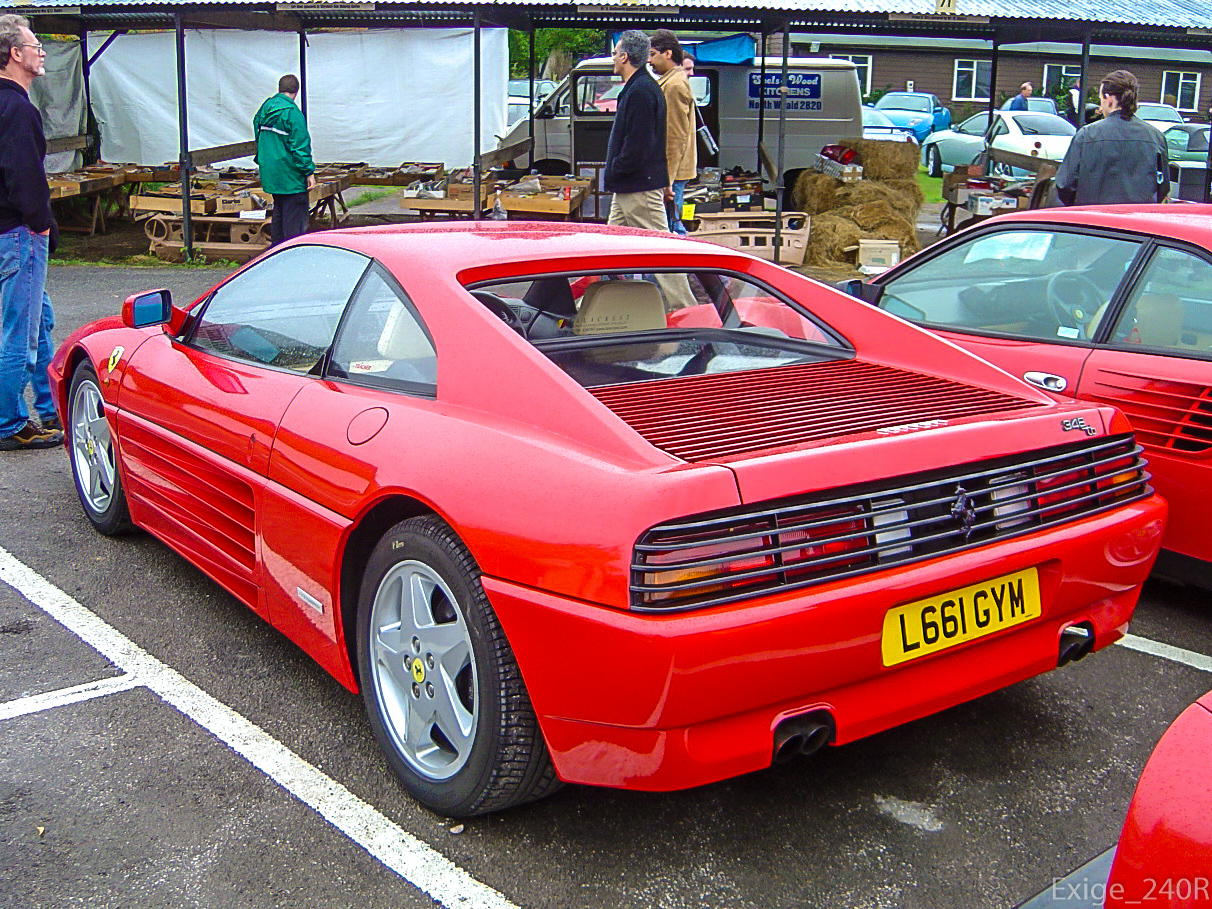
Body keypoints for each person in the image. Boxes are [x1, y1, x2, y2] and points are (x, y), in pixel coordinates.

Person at [0, 14, 62, 451]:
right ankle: (8, 423)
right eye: (35, 45)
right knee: (19, 333)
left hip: (8, 232)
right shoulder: (17, 109)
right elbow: (24, 177)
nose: (41, 52)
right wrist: (41, 223)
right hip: (19, 233)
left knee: (40, 323)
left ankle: (51, 407)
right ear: (13, 55)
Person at [1055, 70, 1169, 206]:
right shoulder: (1155, 137)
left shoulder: (1087, 135)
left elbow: (1064, 185)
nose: (1100, 105)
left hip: (1092, 220)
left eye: (1101, 99)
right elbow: (1163, 188)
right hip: (1137, 222)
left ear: (1108, 99)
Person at [253, 74, 317, 245]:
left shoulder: (265, 108)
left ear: (280, 90)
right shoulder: (293, 113)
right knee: (294, 222)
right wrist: (309, 172)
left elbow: (257, 130)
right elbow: (300, 146)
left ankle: (277, 253)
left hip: (272, 173)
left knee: (279, 214)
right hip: (290, 176)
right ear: (296, 92)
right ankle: (292, 255)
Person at [649, 29, 696, 235]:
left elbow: (675, 136)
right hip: (673, 170)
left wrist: (667, 179)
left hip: (673, 172)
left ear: (667, 54)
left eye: (652, 54)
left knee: (671, 226)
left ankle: (679, 267)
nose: (649, 61)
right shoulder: (671, 81)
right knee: (670, 223)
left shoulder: (675, 84)